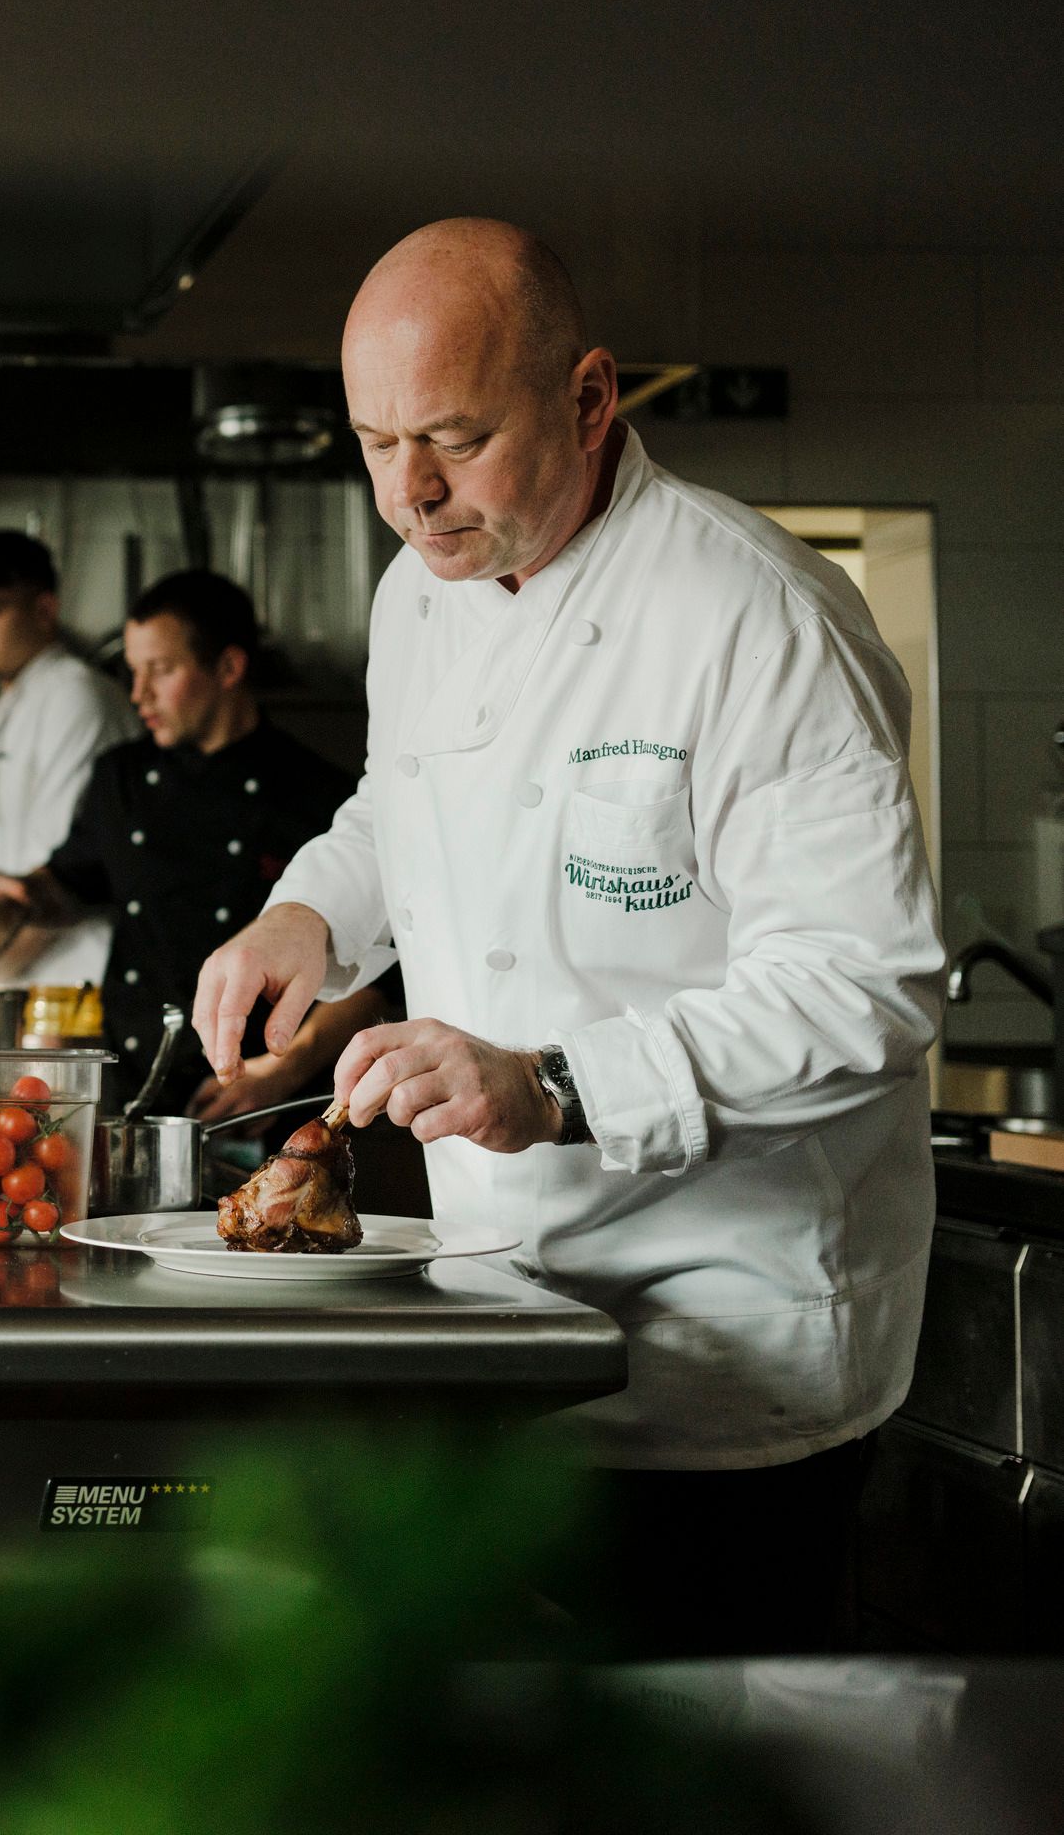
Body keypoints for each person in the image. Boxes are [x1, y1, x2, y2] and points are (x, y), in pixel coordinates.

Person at [192, 218, 943, 1655]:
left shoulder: (757, 619)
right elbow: (394, 801)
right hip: (505, 1321)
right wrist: (312, 911)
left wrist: (551, 1083)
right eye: (373, 444)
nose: (409, 497)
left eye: (455, 440)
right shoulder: (424, 589)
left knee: (699, 1770)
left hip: (728, 1354)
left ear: (591, 400)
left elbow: (869, 986)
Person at [0, 571, 388, 1118]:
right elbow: (69, 883)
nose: (138, 694)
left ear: (229, 668)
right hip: (130, 1090)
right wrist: (11, 892)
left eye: (160, 671)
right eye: (133, 673)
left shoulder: (317, 795)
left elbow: (375, 977)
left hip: (258, 1101)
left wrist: (285, 1069)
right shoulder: (121, 778)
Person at [0, 530, 135, 991]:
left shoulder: (75, 697)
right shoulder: (14, 702)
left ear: (45, 610)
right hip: (18, 983)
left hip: (74, 985)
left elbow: (48, 887)